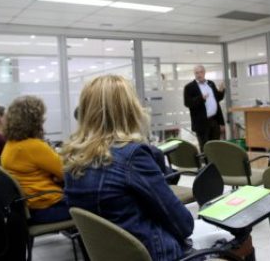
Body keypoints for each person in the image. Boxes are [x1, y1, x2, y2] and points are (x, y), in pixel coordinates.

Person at [62, 75, 232, 261]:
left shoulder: (73, 159)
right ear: (129, 109)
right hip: (156, 253)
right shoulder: (132, 156)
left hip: (112, 255)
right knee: (237, 239)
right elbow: (183, 224)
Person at [1, 95, 70, 224]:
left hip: (28, 208)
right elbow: (68, 174)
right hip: (46, 207)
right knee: (92, 204)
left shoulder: (10, 145)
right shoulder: (33, 146)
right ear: (34, 120)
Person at [184, 65, 225, 152]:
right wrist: (201, 99)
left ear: (204, 72)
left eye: (201, 72)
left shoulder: (210, 83)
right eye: (196, 73)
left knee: (215, 145)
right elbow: (187, 103)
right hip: (201, 123)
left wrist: (221, 91)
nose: (199, 75)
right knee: (205, 147)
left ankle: (215, 164)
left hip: (214, 120)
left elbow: (217, 99)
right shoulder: (189, 87)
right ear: (194, 74)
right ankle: (206, 165)